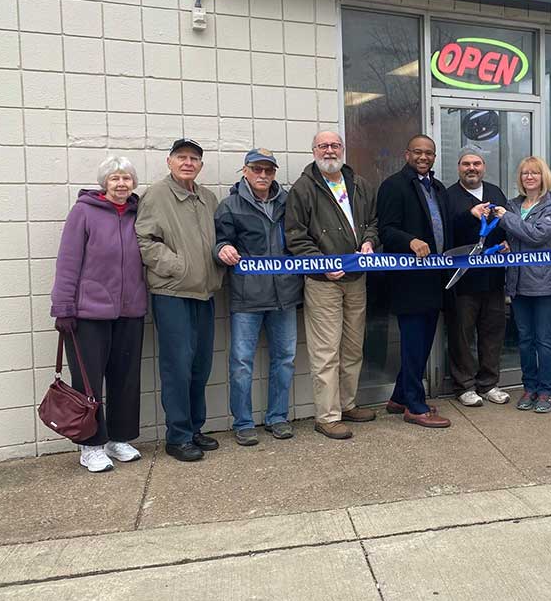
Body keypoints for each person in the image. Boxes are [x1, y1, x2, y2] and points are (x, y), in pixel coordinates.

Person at [51, 157, 148, 473]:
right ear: (104, 182)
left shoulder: (139, 213)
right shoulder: (84, 212)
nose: (121, 184)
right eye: (115, 178)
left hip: (130, 310)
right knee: (88, 382)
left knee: (125, 378)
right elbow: (68, 261)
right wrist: (64, 307)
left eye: (127, 178)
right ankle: (91, 446)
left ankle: (119, 438)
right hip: (89, 313)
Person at [286, 131, 379, 440]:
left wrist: (369, 241)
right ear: (313, 150)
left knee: (353, 347)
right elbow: (295, 235)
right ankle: (327, 416)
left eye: (334, 145)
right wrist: (322, 264)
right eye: (323, 146)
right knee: (326, 351)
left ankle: (347, 404)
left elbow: (374, 222)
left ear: (343, 149)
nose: (329, 150)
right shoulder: (303, 188)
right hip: (322, 282)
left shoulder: (360, 184)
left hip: (357, 279)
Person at [136, 139, 224, 462]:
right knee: (177, 367)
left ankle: (195, 428)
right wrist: (177, 266)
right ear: (169, 161)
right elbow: (144, 239)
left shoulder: (208, 198)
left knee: (200, 366)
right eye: (182, 157)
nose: (188, 163)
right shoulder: (156, 195)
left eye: (194, 159)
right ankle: (178, 436)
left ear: (200, 165)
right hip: (172, 293)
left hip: (204, 293)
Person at [214, 148, 303, 447]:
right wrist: (222, 250)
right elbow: (219, 242)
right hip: (247, 297)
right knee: (241, 362)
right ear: (245, 171)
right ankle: (243, 422)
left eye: (269, 170)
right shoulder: (229, 206)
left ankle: (277, 417)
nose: (263, 175)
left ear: (274, 173)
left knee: (286, 359)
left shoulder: (290, 202)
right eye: (257, 169)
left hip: (285, 295)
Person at [377, 134, 453, 428]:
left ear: (434, 157)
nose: (424, 157)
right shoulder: (393, 186)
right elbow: (387, 230)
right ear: (406, 154)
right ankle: (415, 406)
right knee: (413, 344)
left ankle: (399, 397)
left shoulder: (438, 188)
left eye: (429, 153)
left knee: (423, 344)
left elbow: (445, 227)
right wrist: (410, 241)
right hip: (409, 281)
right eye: (418, 152)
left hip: (435, 279)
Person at [492, 156, 551, 414]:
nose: (529, 177)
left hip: (544, 285)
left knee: (543, 340)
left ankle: (546, 391)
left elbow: (536, 235)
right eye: (525, 173)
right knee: (524, 340)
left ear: (543, 177)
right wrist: (506, 243)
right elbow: (517, 237)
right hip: (517, 283)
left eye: (534, 173)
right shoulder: (513, 204)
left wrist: (506, 220)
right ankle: (529, 388)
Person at [445, 148, 511, 407]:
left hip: (493, 277)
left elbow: (503, 225)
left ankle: (489, 384)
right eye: (466, 164)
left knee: (492, 332)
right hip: (463, 280)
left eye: (476, 163)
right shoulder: (449, 196)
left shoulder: (495, 192)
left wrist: (505, 243)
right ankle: (464, 385)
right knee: (462, 334)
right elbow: (445, 231)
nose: (471, 168)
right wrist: (468, 215)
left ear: (483, 166)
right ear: (458, 167)